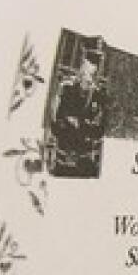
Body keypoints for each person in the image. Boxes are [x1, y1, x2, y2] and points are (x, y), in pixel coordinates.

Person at [50, 46, 105, 177]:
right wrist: (67, 122)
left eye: (93, 75)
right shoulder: (66, 88)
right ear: (81, 68)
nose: (89, 78)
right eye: (86, 72)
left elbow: (100, 128)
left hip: (85, 159)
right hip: (64, 156)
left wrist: (81, 124)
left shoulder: (98, 95)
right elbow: (54, 118)